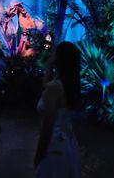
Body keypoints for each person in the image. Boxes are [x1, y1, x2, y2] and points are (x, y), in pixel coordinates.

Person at [34, 41, 81, 178]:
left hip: (54, 147)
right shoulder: (70, 86)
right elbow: (46, 84)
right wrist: (49, 65)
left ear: (59, 59)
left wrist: (39, 154)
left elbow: (47, 128)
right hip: (69, 144)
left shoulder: (54, 88)